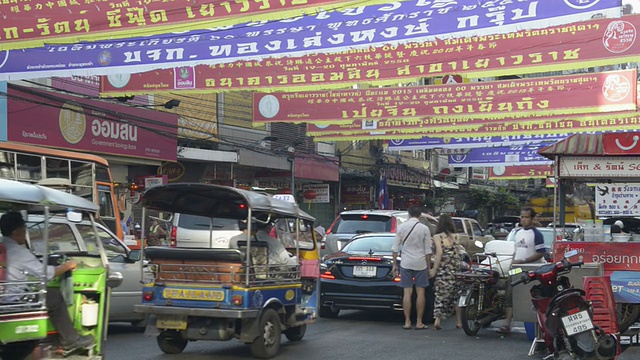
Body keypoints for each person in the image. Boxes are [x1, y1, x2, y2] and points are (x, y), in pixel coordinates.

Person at [0, 211, 95, 350]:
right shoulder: (18, 252)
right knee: (54, 296)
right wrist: (67, 265)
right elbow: (45, 273)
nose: (25, 231)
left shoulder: (3, 247)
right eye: (24, 228)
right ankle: (71, 340)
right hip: (13, 300)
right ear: (16, 231)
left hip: (4, 297)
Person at [499, 207, 548, 334]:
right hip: (516, 269)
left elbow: (541, 253)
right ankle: (507, 323)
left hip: (530, 269)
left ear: (532, 218)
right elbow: (515, 251)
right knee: (510, 289)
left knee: (529, 296)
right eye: (522, 217)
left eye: (526, 217)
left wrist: (524, 261)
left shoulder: (536, 234)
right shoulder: (517, 233)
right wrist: (513, 263)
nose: (524, 220)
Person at [392, 206, 433, 330]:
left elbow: (395, 248)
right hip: (420, 263)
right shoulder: (424, 228)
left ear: (409, 214)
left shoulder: (401, 227)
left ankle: (407, 321)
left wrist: (394, 264)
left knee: (407, 293)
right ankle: (419, 322)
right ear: (420, 215)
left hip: (405, 263)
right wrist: (429, 267)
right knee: (421, 292)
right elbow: (428, 250)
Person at [429, 214, 463, 331]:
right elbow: (458, 253)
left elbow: (439, 253)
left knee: (440, 295)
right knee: (456, 296)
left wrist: (434, 269)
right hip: (455, 269)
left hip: (444, 270)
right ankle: (458, 322)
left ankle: (437, 320)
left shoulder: (437, 237)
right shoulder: (456, 236)